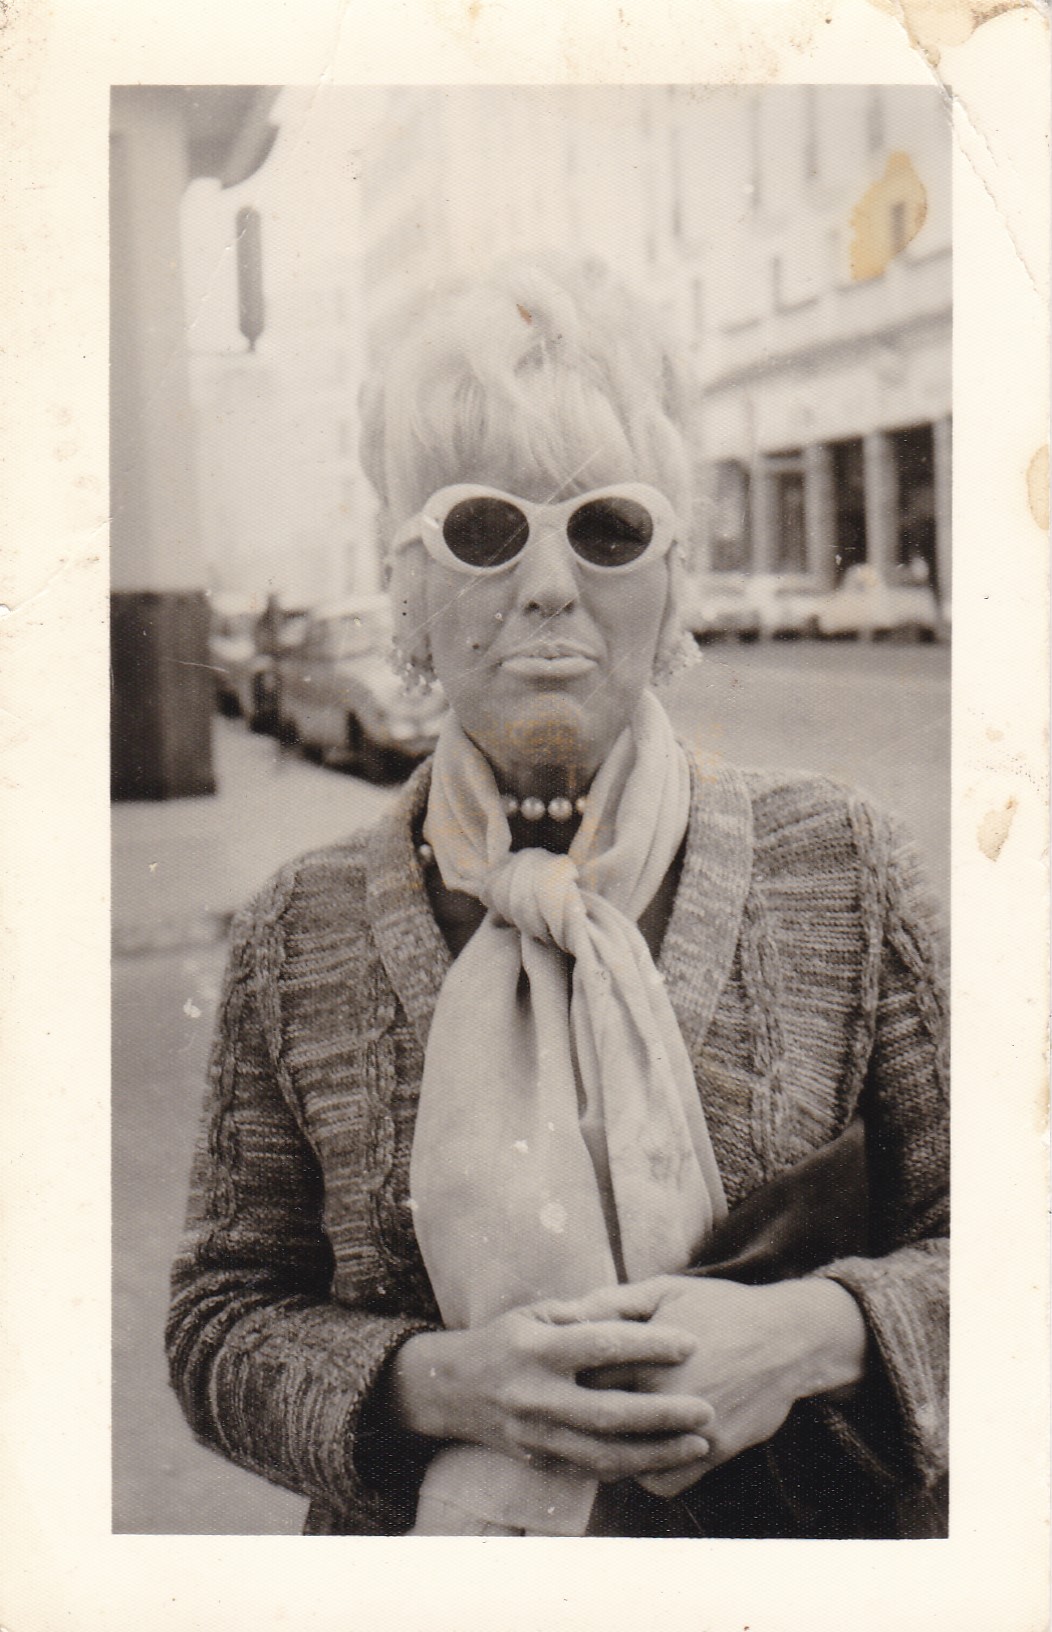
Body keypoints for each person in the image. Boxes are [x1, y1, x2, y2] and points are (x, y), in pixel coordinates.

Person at [166, 257, 948, 1538]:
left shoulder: (845, 867)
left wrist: (816, 1334)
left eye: (605, 526)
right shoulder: (292, 932)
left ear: (670, 577)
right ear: (409, 586)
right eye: (482, 527)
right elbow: (218, 1319)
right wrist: (441, 1389)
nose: (545, 584)